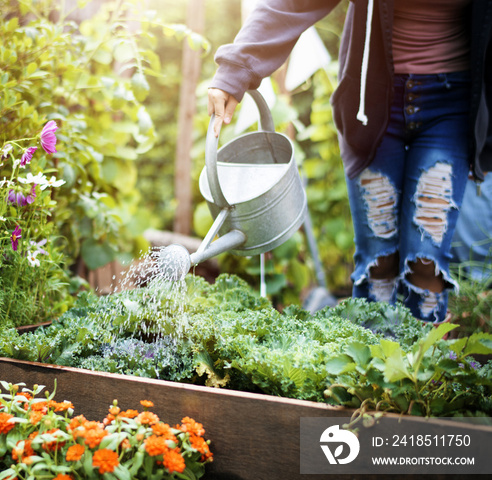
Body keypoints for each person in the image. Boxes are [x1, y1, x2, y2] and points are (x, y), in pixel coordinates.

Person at [207, 0, 492, 323]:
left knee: (427, 262)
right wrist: (235, 69)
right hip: (372, 105)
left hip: (450, 107)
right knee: (379, 263)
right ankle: (373, 369)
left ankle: (422, 368)